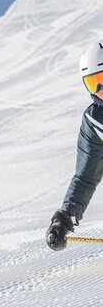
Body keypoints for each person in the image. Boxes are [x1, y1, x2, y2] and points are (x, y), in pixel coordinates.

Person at [46, 40, 103, 250]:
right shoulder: (95, 121)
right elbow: (86, 177)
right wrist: (65, 218)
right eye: (93, 83)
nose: (100, 90)